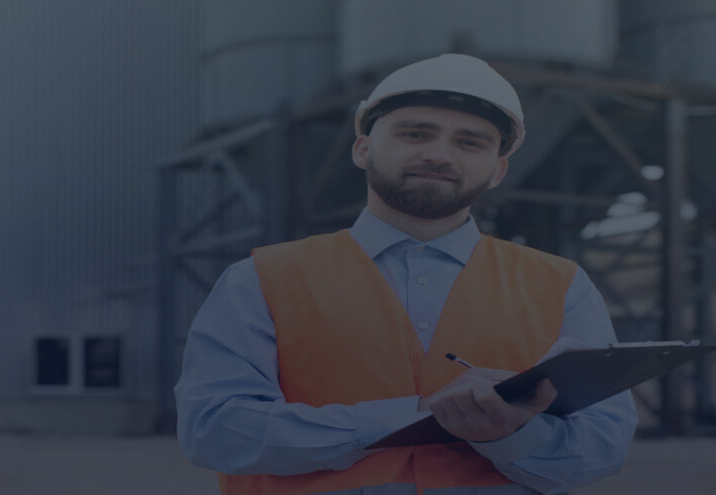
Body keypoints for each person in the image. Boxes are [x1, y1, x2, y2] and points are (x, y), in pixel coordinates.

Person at [173, 53, 638, 495]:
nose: (440, 154)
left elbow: (603, 445)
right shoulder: (260, 279)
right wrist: (415, 415)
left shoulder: (560, 285)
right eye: (415, 134)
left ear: (497, 171)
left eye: (469, 142)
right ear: (362, 148)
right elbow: (214, 430)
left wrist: (509, 434)